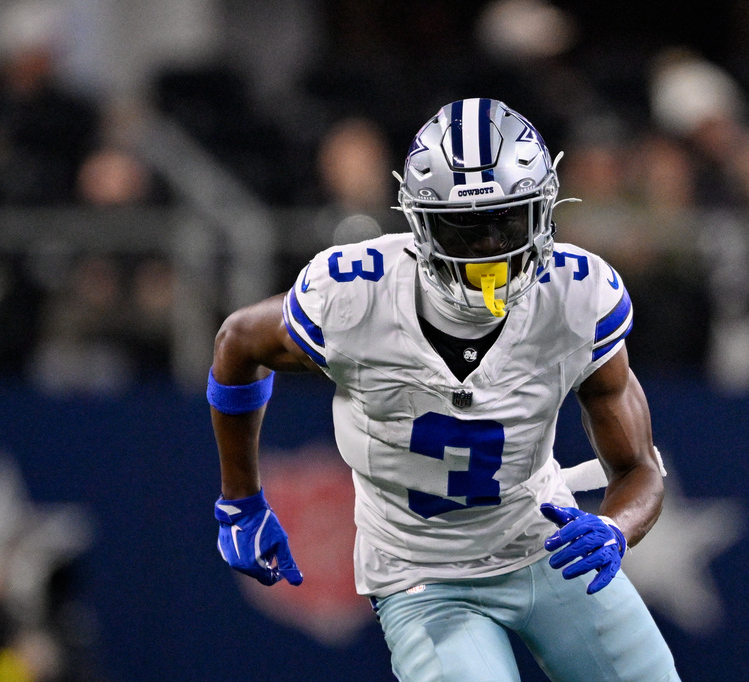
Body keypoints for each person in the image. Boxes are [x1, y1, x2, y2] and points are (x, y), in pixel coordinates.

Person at [208, 98, 681, 681]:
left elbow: (640, 469)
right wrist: (241, 499)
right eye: (465, 226)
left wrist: (614, 528)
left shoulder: (577, 296)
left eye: (506, 221)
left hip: (542, 544)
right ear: (420, 222)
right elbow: (237, 343)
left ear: (544, 210)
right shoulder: (355, 297)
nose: (490, 249)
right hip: (420, 574)